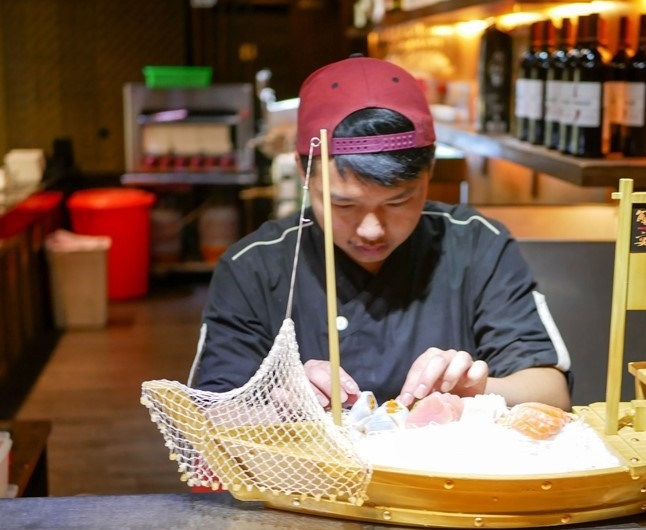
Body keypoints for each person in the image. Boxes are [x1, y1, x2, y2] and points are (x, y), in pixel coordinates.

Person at [190, 55, 572, 411]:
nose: (371, 230)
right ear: (303, 172)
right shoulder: (253, 265)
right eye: (343, 205)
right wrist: (278, 401)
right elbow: (208, 415)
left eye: (398, 202)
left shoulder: (476, 243)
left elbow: (552, 393)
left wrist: (479, 391)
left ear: (430, 170)